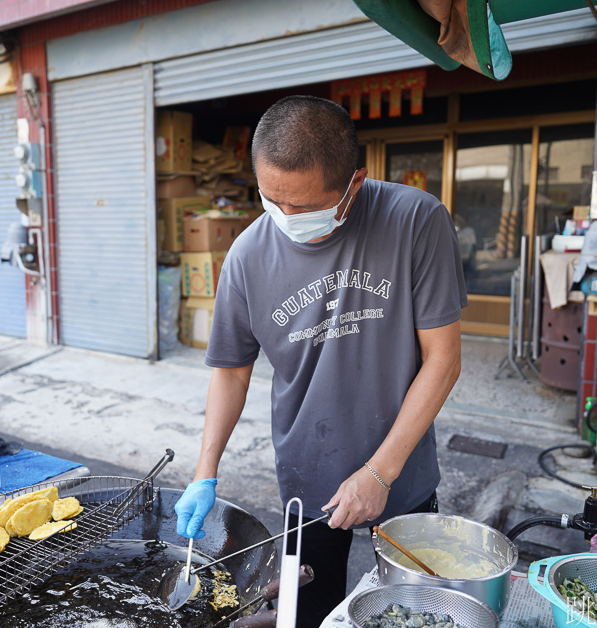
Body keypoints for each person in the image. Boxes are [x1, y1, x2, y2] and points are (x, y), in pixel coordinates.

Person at [174, 95, 468, 627]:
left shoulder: (415, 221)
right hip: (307, 476)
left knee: (415, 615)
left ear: (354, 183)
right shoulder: (245, 256)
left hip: (402, 474)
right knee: (309, 613)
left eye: (303, 207)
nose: (284, 219)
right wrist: (204, 472)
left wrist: (380, 472)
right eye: (271, 199)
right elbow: (232, 372)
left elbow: (443, 360)